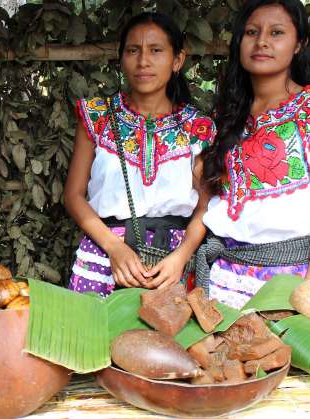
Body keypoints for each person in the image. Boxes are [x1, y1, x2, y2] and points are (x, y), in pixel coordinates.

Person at [198, 0, 310, 309]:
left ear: (299, 44)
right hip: (224, 277)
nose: (262, 42)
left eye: (276, 33)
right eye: (251, 32)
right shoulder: (228, 114)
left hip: (291, 280)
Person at [64, 13, 215, 298]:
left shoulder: (197, 127)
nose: (143, 61)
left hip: (172, 267)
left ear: (177, 61)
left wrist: (181, 258)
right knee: (93, 340)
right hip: (104, 256)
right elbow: (73, 195)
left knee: (173, 343)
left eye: (156, 50)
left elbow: (205, 207)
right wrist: (114, 247)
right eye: (133, 50)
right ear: (121, 59)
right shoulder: (97, 116)